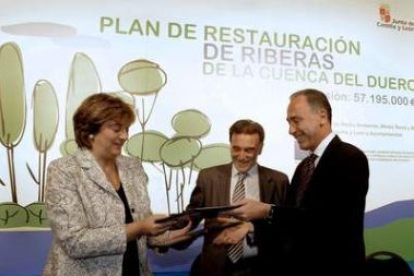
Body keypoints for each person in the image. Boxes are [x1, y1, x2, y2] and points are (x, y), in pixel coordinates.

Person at [226, 89, 370, 275]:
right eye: (289, 122)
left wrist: (266, 210)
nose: (291, 130)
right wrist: (251, 227)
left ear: (322, 116)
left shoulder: (350, 158)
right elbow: (291, 221)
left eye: (296, 120)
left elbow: (328, 221)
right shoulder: (304, 166)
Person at [42, 94, 188, 276]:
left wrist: (170, 236)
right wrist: (140, 227)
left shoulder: (132, 167)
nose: (124, 136)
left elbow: (142, 227)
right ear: (90, 130)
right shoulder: (63, 170)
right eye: (117, 129)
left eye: (127, 129)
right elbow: (74, 241)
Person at [184, 119, 289, 276]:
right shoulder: (208, 177)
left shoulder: (278, 181)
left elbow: (285, 225)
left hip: (262, 266)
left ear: (260, 148)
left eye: (249, 150)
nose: (241, 156)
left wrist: (251, 228)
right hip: (215, 267)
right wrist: (166, 236)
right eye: (236, 149)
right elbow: (191, 218)